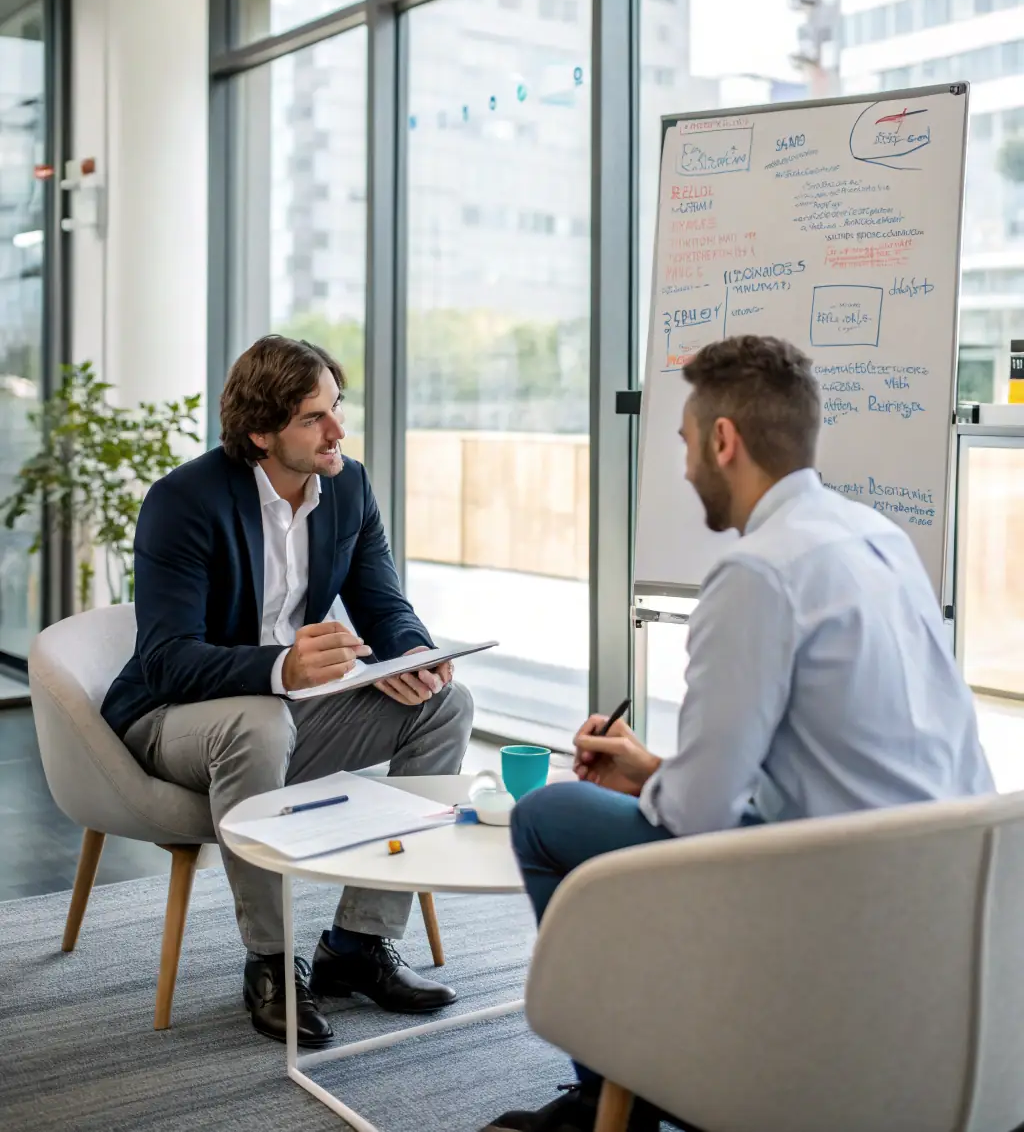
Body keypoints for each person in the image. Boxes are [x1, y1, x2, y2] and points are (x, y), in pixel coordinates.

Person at [482, 334, 994, 1132]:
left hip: (827, 903)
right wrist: (653, 767)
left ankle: (615, 1096)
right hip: (942, 893)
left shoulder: (757, 573)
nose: (685, 468)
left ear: (724, 441)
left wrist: (664, 784)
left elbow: (700, 819)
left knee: (545, 818)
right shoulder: (878, 539)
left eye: (687, 443)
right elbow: (815, 755)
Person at [102, 335, 474, 1048]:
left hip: (284, 714)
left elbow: (382, 601)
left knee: (445, 703)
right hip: (169, 719)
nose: (337, 431)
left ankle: (359, 943)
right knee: (259, 722)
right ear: (261, 433)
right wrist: (281, 667)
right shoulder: (184, 500)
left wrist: (414, 651)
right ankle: (271, 962)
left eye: (337, 408)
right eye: (314, 418)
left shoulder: (349, 486)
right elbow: (167, 658)